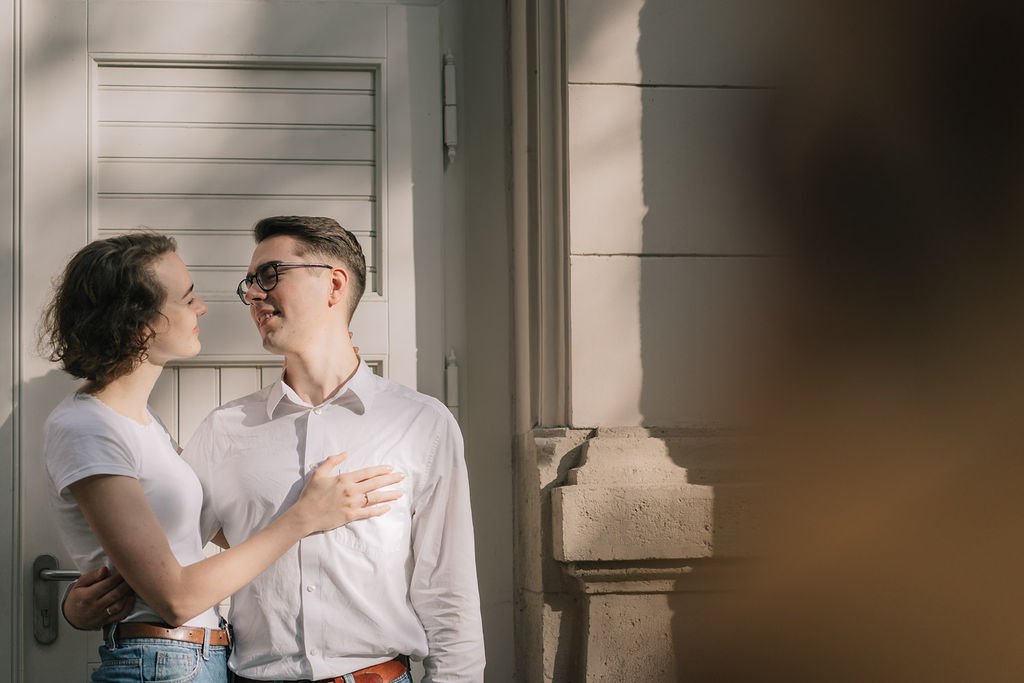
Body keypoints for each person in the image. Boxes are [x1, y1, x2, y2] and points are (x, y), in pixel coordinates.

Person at [70, 217, 485, 682]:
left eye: (269, 275)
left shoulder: (420, 424)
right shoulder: (225, 429)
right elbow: (166, 559)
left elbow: (449, 594)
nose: (252, 294)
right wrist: (79, 605)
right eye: (249, 282)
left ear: (333, 283)